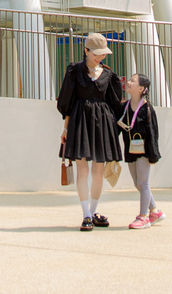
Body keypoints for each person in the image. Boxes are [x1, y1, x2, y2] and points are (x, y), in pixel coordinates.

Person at [57, 32, 125, 231]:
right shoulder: (74, 71)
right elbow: (66, 103)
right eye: (96, 53)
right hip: (79, 122)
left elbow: (115, 105)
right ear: (86, 50)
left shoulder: (109, 75)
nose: (100, 57)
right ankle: (86, 214)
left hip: (103, 124)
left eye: (103, 54)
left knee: (98, 170)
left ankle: (93, 211)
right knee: (82, 169)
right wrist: (65, 128)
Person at [122, 72, 163, 229]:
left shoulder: (147, 109)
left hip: (144, 151)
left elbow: (153, 133)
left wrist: (153, 154)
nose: (129, 82)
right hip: (131, 149)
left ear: (141, 88)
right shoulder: (125, 106)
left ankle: (143, 217)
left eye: (132, 81)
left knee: (142, 183)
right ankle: (155, 211)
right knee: (138, 184)